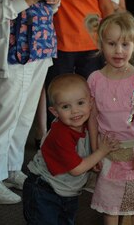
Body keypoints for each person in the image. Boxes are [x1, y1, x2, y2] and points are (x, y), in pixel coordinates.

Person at [0, 0, 60, 204]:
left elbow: (45, 5)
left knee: (25, 117)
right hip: (16, 49)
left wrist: (52, 0)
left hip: (41, 45)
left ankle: (12, 169)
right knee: (6, 117)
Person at [30, 0, 114, 125]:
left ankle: (92, 148)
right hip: (53, 43)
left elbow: (106, 6)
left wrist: (110, 43)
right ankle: (60, 149)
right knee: (59, 105)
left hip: (91, 43)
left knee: (92, 100)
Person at [86, 12, 134, 225]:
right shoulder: (95, 79)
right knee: (109, 206)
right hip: (108, 152)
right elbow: (92, 118)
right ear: (101, 44)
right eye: (111, 44)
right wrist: (94, 150)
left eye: (125, 44)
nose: (118, 51)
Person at [23, 73, 120, 225]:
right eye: (66, 106)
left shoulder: (89, 124)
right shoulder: (60, 134)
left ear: (90, 103)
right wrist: (101, 151)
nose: (75, 111)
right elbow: (76, 169)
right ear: (55, 112)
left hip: (68, 191)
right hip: (44, 190)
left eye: (80, 103)